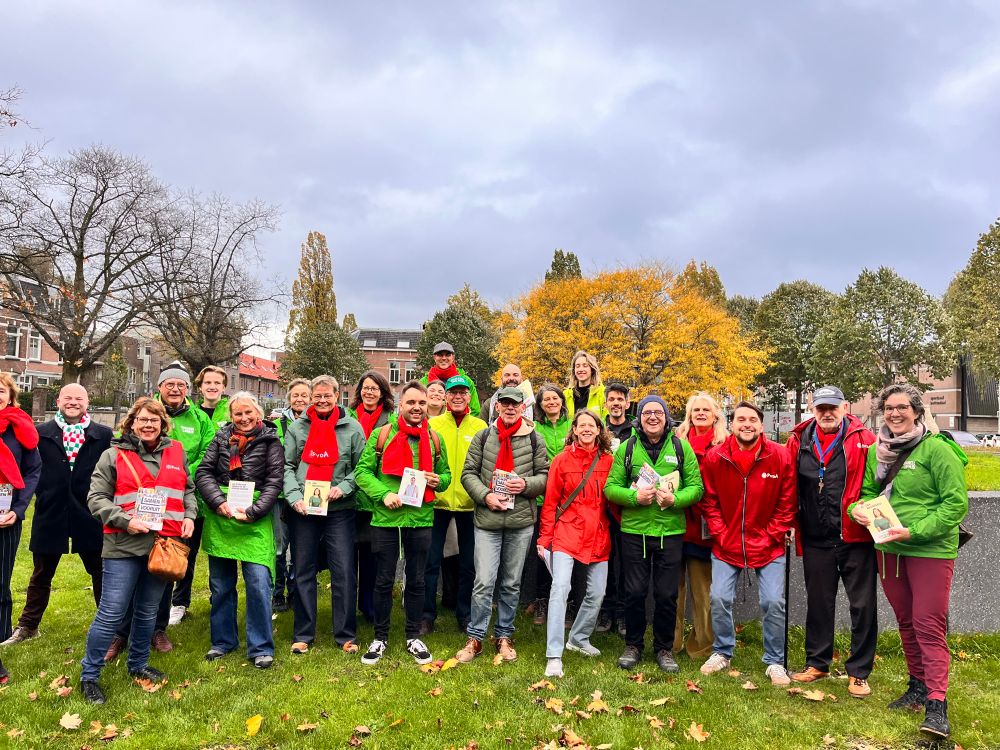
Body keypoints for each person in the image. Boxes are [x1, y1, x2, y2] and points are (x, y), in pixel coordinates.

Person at [849, 383, 968, 739]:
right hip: (889, 549)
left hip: (929, 550)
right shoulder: (878, 450)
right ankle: (916, 686)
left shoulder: (937, 449)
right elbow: (868, 493)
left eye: (902, 407)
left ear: (917, 411)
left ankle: (937, 703)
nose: (894, 414)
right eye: (888, 408)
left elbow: (955, 504)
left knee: (928, 624)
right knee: (905, 621)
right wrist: (859, 510)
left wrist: (913, 531)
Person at [79, 397, 197, 704]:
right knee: (112, 612)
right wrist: (125, 520)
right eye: (142, 420)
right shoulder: (112, 455)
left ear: (163, 425)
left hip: (162, 545)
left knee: (147, 611)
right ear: (131, 423)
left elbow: (188, 490)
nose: (148, 425)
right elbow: (95, 499)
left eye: (154, 421)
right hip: (123, 544)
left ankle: (138, 664)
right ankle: (89, 676)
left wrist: (189, 516)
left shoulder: (176, 452)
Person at [106, 362, 213, 660]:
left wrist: (176, 473)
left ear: (187, 389)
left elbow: (207, 452)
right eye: (170, 384)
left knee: (166, 567)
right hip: (137, 513)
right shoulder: (143, 411)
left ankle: (158, 628)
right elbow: (123, 450)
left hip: (174, 506)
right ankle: (121, 633)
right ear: (161, 387)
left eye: (180, 384)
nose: (175, 389)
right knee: (132, 572)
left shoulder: (199, 418)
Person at [2, 384, 111, 649]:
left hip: (90, 511)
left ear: (88, 402)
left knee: (100, 571)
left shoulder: (104, 435)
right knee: (41, 573)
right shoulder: (39, 433)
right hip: (51, 509)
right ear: (58, 400)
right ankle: (28, 626)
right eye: (68, 398)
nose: (73, 402)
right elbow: (25, 468)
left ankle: (111, 627)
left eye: (79, 398)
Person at [786, 385, 877, 699]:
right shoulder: (798, 440)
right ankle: (818, 662)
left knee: (862, 606)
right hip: (816, 537)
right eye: (821, 407)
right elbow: (789, 485)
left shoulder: (864, 439)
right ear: (813, 408)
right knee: (819, 604)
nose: (826, 413)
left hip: (855, 537)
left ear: (845, 407)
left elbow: (879, 482)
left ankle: (859, 672)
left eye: (832, 407)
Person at [699, 401, 796, 686]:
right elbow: (709, 501)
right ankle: (722, 651)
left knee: (773, 601)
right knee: (719, 598)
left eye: (752, 419)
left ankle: (775, 661)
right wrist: (721, 533)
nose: (746, 424)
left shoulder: (780, 456)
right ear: (731, 424)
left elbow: (787, 504)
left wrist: (769, 535)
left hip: (769, 545)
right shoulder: (716, 456)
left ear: (761, 425)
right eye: (740, 419)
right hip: (727, 544)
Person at [604, 395, 703, 673]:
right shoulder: (626, 448)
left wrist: (676, 500)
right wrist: (635, 497)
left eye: (658, 413)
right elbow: (611, 488)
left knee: (666, 593)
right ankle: (633, 645)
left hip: (669, 532)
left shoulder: (682, 449)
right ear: (639, 418)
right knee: (634, 592)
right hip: (634, 532)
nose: (652, 417)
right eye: (647, 413)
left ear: (667, 417)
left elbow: (696, 487)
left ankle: (663, 648)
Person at [355, 381, 451, 665]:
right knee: (384, 579)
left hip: (420, 517)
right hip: (386, 518)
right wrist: (383, 494)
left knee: (418, 580)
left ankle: (413, 635)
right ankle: (380, 637)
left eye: (422, 403)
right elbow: (362, 472)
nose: (417, 408)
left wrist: (438, 481)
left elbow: (445, 475)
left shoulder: (434, 439)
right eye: (411, 403)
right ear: (400, 405)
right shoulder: (381, 435)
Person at [455, 385, 549, 664]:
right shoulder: (484, 437)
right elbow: (468, 473)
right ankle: (475, 637)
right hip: (487, 520)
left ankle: (504, 636)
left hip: (520, 522)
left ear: (523, 408)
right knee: (483, 581)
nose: (509, 408)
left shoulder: (535, 439)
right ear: (496, 407)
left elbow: (545, 476)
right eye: (504, 403)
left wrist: (526, 484)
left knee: (510, 583)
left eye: (515, 404)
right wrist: (485, 496)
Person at [195, 392, 284, 669]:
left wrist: (255, 511)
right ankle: (223, 641)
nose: (243, 418)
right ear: (230, 416)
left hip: (255, 518)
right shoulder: (221, 438)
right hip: (222, 517)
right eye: (238, 414)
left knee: (258, 582)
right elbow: (203, 473)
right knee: (221, 585)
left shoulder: (271, 440)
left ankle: (260, 646)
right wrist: (218, 503)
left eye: (248, 413)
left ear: (258, 413)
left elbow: (275, 480)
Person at [283, 375, 366, 655]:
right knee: (303, 570)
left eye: (326, 396)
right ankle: (303, 633)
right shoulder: (297, 429)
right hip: (304, 511)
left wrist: (343, 487)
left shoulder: (352, 428)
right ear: (309, 397)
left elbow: (362, 467)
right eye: (316, 396)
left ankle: (345, 635)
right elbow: (286, 466)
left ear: (336, 396)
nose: (321, 401)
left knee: (343, 570)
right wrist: (294, 498)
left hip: (339, 511)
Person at [537, 409, 614, 678]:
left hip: (599, 536)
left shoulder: (609, 461)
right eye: (581, 425)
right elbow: (550, 504)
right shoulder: (561, 460)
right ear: (575, 430)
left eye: (590, 425)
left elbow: (613, 498)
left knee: (597, 592)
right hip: (566, 534)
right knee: (560, 589)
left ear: (598, 430)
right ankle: (554, 654)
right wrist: (544, 539)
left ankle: (579, 638)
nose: (586, 429)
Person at [423, 375, 486, 634]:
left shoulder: (481, 426)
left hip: (469, 504)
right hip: (436, 502)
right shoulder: (433, 424)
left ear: (469, 396)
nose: (457, 397)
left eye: (462, 393)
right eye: (452, 393)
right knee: (431, 562)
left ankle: (465, 613)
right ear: (445, 398)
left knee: (468, 564)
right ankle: (426, 615)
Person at [670, 392, 728, 661]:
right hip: (676, 520)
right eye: (696, 410)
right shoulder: (677, 441)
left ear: (715, 414)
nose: (701, 414)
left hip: (705, 527)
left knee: (703, 590)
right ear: (689, 415)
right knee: (672, 588)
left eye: (706, 410)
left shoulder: (724, 444)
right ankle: (671, 642)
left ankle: (703, 645)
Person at [0, 373, 41, 685]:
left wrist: (18, 508)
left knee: (0, 583)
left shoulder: (20, 430)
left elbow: (32, 469)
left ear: (11, 396)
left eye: (1, 391)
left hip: (6, 518)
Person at [349, 370, 394, 623]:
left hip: (376, 498)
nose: (369, 392)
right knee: (347, 558)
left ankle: (369, 607)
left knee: (371, 558)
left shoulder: (391, 419)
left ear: (382, 393)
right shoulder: (347, 416)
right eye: (365, 388)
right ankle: (347, 605)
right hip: (350, 498)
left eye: (374, 388)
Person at [530, 384, 572, 626]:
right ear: (540, 404)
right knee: (542, 553)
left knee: (566, 554)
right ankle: (541, 601)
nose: (551, 402)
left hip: (568, 502)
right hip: (541, 499)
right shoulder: (535, 429)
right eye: (546, 399)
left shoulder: (572, 426)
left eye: (555, 398)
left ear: (561, 401)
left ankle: (566, 604)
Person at [596, 382, 633, 635]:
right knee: (605, 561)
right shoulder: (598, 429)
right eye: (612, 399)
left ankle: (622, 612)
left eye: (621, 399)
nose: (616, 403)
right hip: (600, 505)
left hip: (627, 506)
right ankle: (605, 611)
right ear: (606, 403)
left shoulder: (636, 430)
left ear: (627, 403)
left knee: (626, 564)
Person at [271, 377, 311, 612]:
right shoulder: (274, 426)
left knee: (300, 547)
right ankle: (278, 592)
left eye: (304, 395)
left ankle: (295, 590)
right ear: (288, 399)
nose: (299, 399)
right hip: (279, 495)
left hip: (305, 493)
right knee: (278, 546)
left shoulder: (315, 425)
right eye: (295, 395)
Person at [421, 341, 482, 417]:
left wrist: (463, 426)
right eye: (440, 355)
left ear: (453, 357)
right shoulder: (423, 382)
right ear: (434, 357)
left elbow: (475, 410)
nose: (444, 358)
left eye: (448, 355)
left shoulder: (466, 381)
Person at [563, 351, 607, 419]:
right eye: (577, 366)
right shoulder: (566, 395)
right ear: (574, 370)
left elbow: (607, 420)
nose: (581, 369)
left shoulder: (603, 393)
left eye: (585, 366)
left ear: (592, 369)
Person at [195, 365, 230, 432]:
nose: (212, 387)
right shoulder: (192, 413)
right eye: (208, 382)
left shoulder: (232, 412)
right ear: (200, 386)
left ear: (223, 387)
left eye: (217, 383)